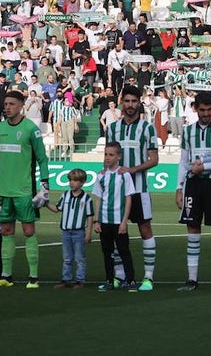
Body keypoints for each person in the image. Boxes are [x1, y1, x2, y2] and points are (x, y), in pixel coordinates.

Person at [0, 90, 49, 289]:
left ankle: (33, 278)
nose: (7, 107)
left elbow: (42, 159)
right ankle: (6, 276)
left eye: (12, 104)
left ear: (21, 105)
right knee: (6, 231)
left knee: (29, 231)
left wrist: (45, 185)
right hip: (3, 190)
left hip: (24, 190)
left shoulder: (31, 129)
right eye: (6, 104)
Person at [175, 93, 211, 292]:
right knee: (192, 232)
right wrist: (179, 187)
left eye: (209, 110)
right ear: (195, 108)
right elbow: (183, 161)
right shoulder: (188, 131)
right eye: (202, 110)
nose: (206, 114)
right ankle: (192, 280)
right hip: (192, 185)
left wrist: (204, 168)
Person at [105, 85, 159, 291]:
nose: (130, 105)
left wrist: (131, 169)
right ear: (122, 102)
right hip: (116, 191)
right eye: (126, 101)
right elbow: (108, 158)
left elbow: (154, 159)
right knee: (116, 232)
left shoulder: (148, 128)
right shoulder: (112, 128)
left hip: (139, 188)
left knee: (145, 229)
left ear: (139, 103)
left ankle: (148, 277)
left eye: (134, 101)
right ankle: (119, 277)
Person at [94, 141, 136, 291]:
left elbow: (128, 198)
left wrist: (124, 221)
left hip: (119, 221)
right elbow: (98, 198)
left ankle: (131, 280)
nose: (107, 157)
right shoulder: (100, 176)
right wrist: (96, 220)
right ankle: (109, 280)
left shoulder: (124, 175)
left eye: (111, 155)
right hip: (104, 220)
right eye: (106, 154)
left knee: (124, 251)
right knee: (107, 253)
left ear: (118, 156)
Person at [48, 168, 93, 289]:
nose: (71, 183)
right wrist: (46, 203)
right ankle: (66, 279)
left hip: (79, 232)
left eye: (75, 180)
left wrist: (88, 233)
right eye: (70, 180)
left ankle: (80, 280)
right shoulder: (65, 195)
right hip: (66, 231)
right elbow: (57, 209)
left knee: (79, 258)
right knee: (67, 257)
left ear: (82, 182)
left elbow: (90, 216)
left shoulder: (86, 198)